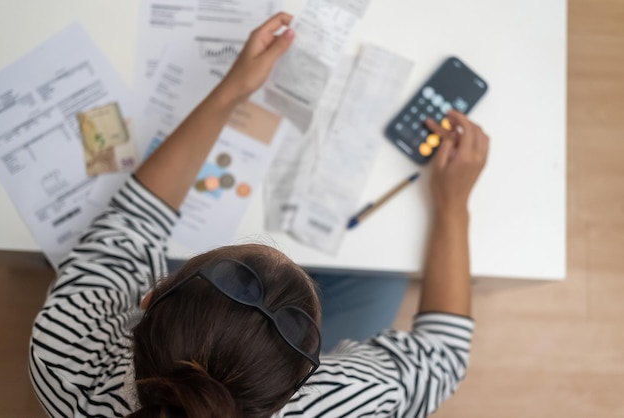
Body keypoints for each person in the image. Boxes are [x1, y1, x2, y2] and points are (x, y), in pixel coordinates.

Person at [29, 12, 489, 418]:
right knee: (385, 277)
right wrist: (453, 207)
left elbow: (130, 224)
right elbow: (441, 358)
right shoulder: (342, 399)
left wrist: (232, 91)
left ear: (150, 297)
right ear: (302, 384)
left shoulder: (66, 354)